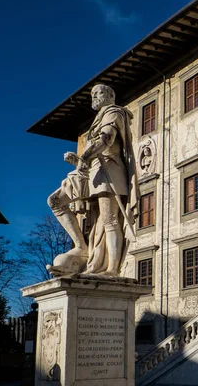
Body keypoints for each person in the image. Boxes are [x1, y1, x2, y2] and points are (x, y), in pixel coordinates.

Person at [47, 84, 138, 277]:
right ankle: (81, 247)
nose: (93, 97)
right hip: (91, 172)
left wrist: (84, 157)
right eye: (92, 94)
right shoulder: (98, 118)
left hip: (109, 171)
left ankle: (112, 269)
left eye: (98, 93)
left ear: (110, 95)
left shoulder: (114, 112)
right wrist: (80, 160)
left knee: (109, 220)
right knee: (55, 201)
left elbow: (106, 139)